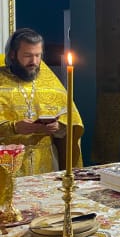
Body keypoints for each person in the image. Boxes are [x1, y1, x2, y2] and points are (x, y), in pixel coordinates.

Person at [0, 28, 84, 176]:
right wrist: (14, 128)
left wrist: (59, 127)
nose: (34, 62)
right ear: (13, 54)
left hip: (46, 162)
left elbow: (72, 122)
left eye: (38, 56)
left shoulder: (50, 83)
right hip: (7, 164)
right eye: (27, 56)